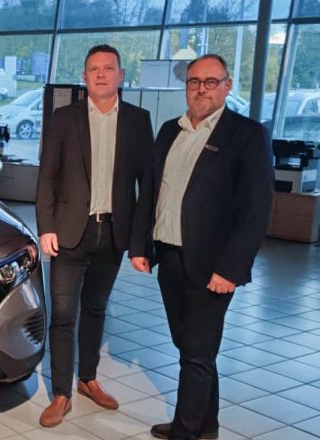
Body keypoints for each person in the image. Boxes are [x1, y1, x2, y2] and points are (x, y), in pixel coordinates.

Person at [129, 54, 274, 440]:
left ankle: (187, 431)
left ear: (227, 86)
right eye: (194, 82)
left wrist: (231, 269)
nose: (201, 90)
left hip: (213, 265)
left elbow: (256, 211)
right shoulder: (169, 131)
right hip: (169, 256)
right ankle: (205, 425)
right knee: (191, 347)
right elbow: (151, 193)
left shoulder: (246, 135)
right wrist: (139, 245)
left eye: (211, 82)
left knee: (196, 351)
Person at [35, 44, 154, 427]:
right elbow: (47, 175)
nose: (101, 74)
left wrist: (141, 243)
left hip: (113, 233)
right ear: (84, 76)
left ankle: (87, 379)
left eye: (108, 68)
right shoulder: (64, 118)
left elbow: (147, 186)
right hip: (70, 232)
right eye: (93, 69)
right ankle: (61, 393)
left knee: (96, 308)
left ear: (121, 75)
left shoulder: (138, 120)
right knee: (63, 315)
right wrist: (45, 226)